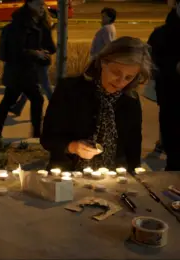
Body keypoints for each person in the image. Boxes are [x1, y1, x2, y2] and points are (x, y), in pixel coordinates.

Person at [41, 37, 152, 172]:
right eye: (116, 72)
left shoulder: (130, 100)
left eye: (129, 77)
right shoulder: (70, 90)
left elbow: (133, 148)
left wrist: (134, 180)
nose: (121, 82)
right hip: (69, 175)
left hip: (114, 181)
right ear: (102, 62)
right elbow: (48, 138)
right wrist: (73, 147)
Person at [0, 0, 50, 138]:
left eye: (43, 5)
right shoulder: (19, 27)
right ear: (29, 5)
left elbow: (48, 47)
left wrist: (42, 55)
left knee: (12, 101)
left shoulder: (35, 25)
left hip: (25, 72)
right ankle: (36, 134)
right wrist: (36, 53)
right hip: (19, 73)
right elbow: (14, 52)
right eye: (38, 4)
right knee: (33, 99)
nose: (42, 7)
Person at [148, 0, 180, 171]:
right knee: (175, 151)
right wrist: (172, 67)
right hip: (172, 100)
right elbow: (151, 65)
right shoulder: (161, 35)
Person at [8, 6, 56, 116]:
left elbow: (52, 47)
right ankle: (18, 107)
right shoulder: (35, 26)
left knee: (45, 86)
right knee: (32, 85)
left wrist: (43, 52)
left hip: (42, 61)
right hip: (36, 60)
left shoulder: (43, 27)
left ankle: (56, 107)